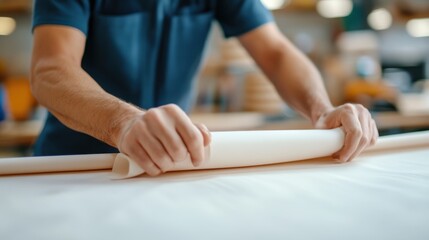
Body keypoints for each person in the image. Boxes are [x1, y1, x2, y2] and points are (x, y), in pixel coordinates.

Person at [31, 0, 378, 176]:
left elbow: (274, 52)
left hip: (169, 164)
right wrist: (123, 122)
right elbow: (51, 69)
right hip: (72, 166)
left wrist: (322, 109)